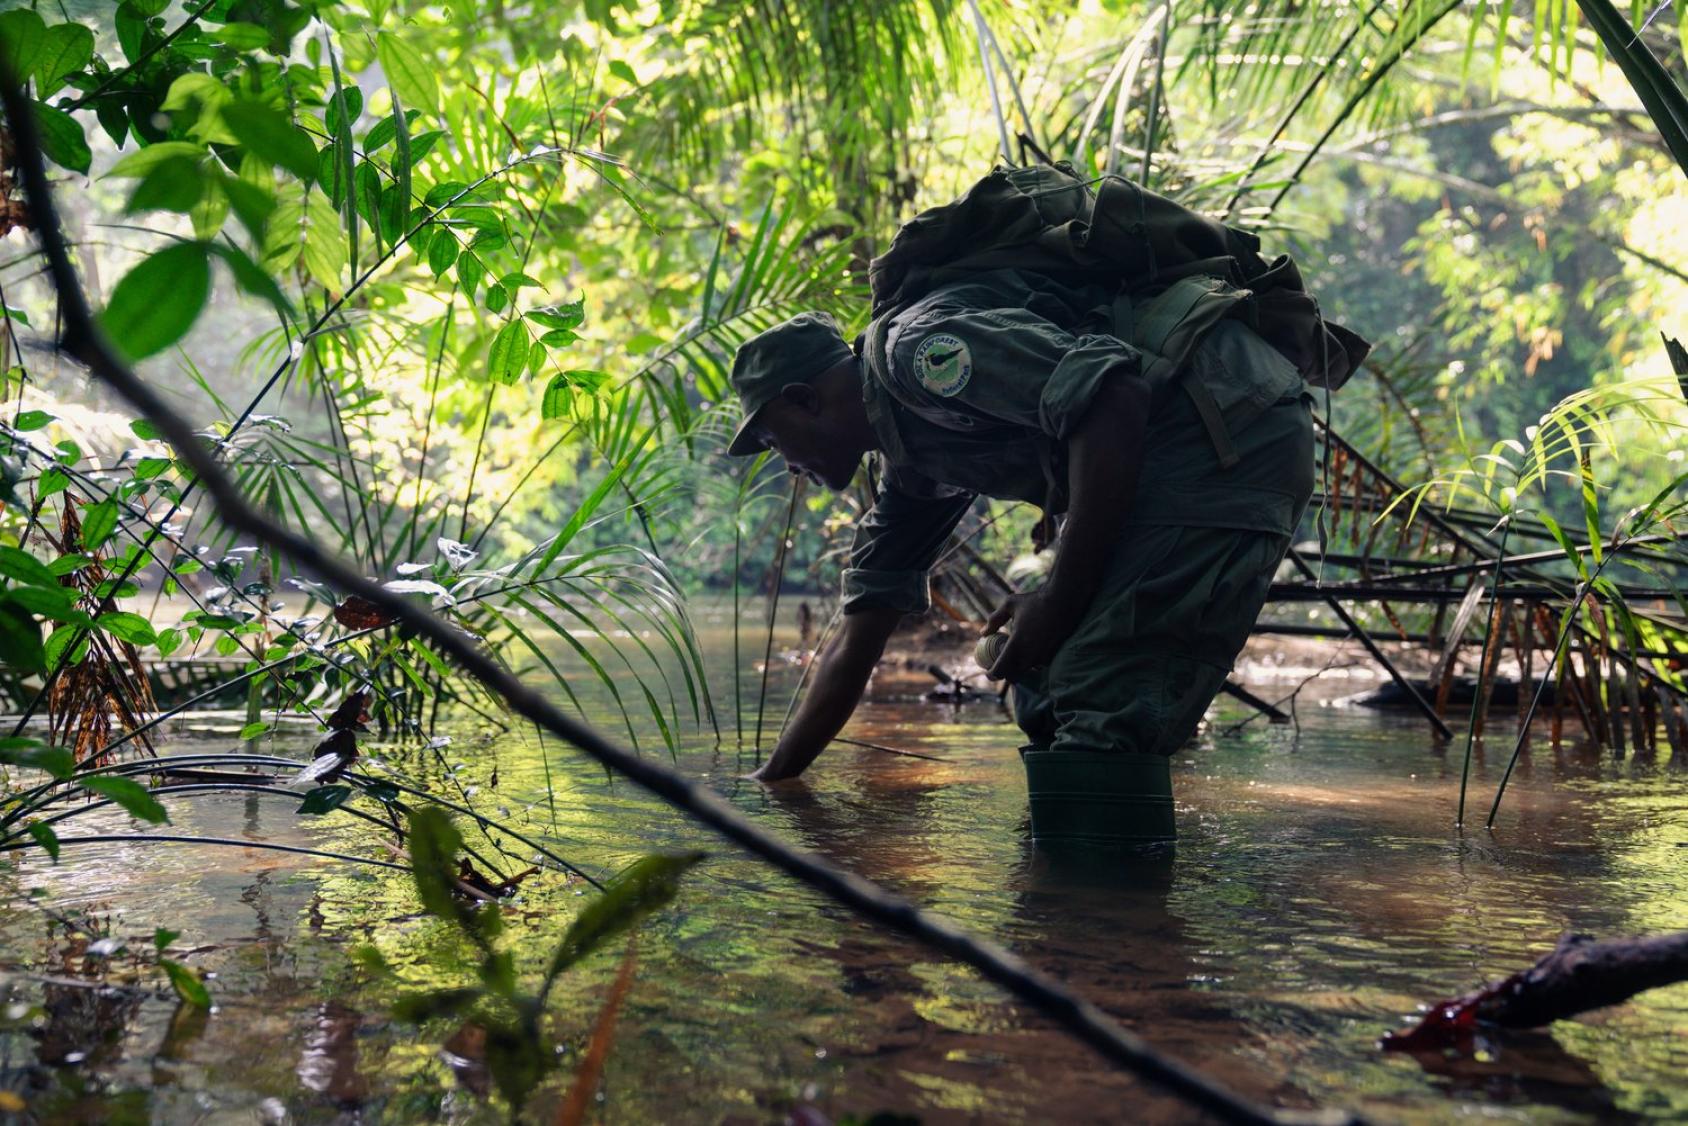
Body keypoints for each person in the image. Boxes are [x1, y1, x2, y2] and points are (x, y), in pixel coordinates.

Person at [728, 266, 1315, 842]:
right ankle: (1063, 918)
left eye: (773, 439)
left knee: (1099, 704)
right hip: (1179, 445)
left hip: (1228, 424)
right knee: (1041, 684)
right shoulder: (912, 470)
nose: (784, 464)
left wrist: (1057, 599)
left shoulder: (917, 354)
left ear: (804, 399)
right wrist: (773, 781)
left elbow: (1114, 395)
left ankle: (1098, 910)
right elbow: (856, 642)